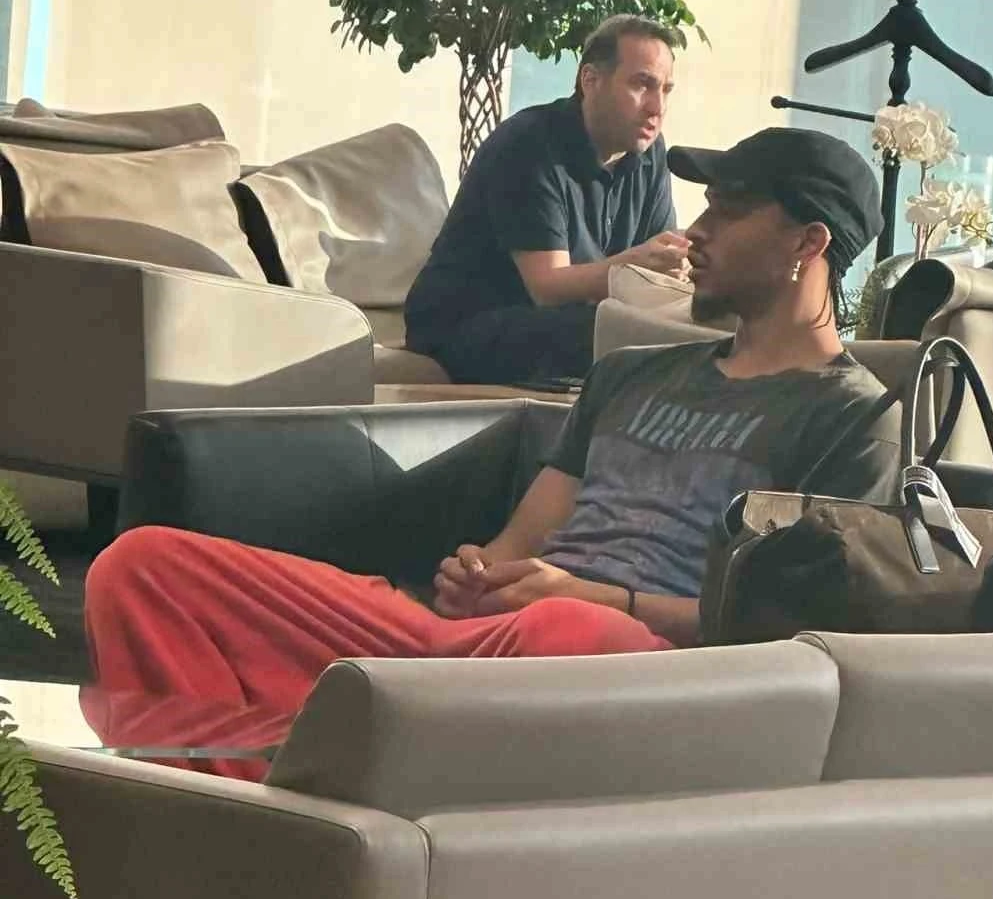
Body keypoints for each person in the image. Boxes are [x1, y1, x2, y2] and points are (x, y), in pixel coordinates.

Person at [86, 127, 895, 778]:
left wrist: (597, 600)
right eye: (704, 205)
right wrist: (479, 573)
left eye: (732, 211)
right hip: (481, 644)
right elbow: (520, 543)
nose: (699, 231)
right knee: (144, 566)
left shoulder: (851, 417)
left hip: (621, 661)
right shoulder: (630, 374)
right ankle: (256, 804)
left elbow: (777, 630)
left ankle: (340, 747)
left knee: (566, 630)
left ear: (808, 242)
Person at [404, 14, 689, 385]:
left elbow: (655, 278)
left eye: (666, 90)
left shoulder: (650, 154)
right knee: (610, 332)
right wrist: (633, 266)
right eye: (642, 84)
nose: (657, 107)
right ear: (590, 80)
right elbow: (548, 288)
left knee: (683, 327)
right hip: (465, 321)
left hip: (556, 321)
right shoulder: (529, 144)